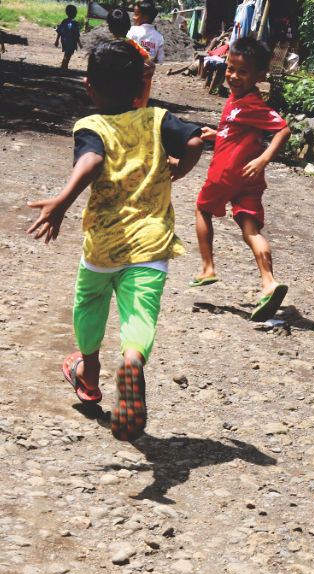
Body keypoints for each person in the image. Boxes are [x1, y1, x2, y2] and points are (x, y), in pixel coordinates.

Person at [27, 39, 204, 441]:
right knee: (140, 313)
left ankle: (89, 377)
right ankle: (132, 359)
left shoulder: (92, 126)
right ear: (139, 85)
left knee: (89, 304)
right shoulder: (158, 119)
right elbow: (195, 141)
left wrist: (62, 202)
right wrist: (179, 168)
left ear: (89, 86)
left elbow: (91, 162)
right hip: (152, 243)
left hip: (105, 244)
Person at [190, 37, 291, 322]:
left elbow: (283, 129)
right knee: (251, 230)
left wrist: (264, 159)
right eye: (230, 68)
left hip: (227, 174)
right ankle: (269, 282)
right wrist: (218, 134)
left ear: (260, 76)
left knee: (202, 209)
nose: (233, 76)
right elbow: (238, 130)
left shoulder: (252, 103)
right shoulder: (237, 100)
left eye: (242, 72)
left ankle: (208, 267)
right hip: (248, 180)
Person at [107, 6, 154, 106]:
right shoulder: (138, 49)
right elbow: (149, 69)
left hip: (112, 101)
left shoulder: (106, 48)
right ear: (129, 27)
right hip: (134, 102)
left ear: (109, 28)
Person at [54, 4, 81, 72]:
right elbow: (76, 34)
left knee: (67, 53)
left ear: (66, 13)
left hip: (64, 40)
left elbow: (59, 31)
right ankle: (64, 67)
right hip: (71, 42)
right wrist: (79, 43)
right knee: (68, 54)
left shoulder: (64, 21)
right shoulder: (75, 23)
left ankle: (64, 66)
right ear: (75, 13)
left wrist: (57, 40)